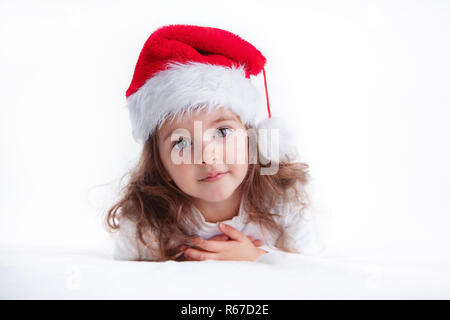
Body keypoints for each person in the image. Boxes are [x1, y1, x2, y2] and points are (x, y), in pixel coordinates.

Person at [105, 24, 323, 262]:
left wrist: (257, 258)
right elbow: (124, 282)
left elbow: (312, 271)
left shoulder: (284, 199)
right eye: (181, 143)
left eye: (222, 131)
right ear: (161, 166)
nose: (208, 156)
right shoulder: (144, 220)